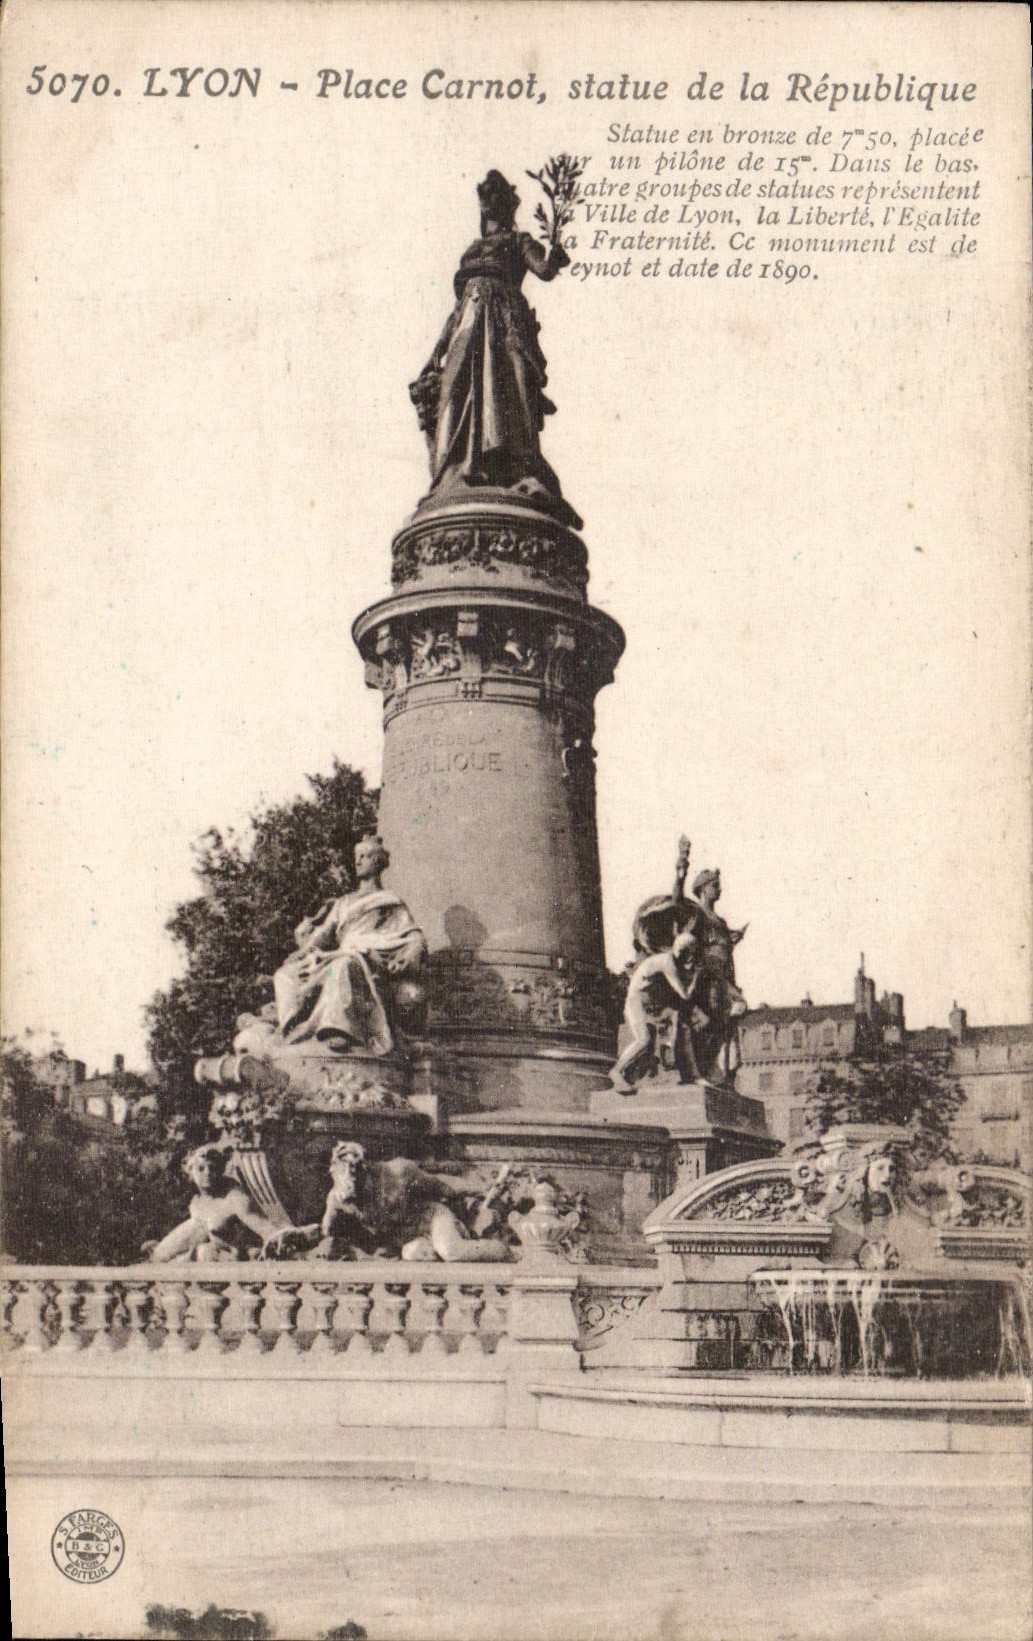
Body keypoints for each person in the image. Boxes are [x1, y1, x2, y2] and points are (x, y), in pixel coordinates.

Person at [410, 170, 578, 524]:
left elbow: (544, 270)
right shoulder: (472, 251)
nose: (492, 209)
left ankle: (514, 468)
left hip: (505, 320)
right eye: (488, 203)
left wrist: (556, 257)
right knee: (456, 391)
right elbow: (456, 311)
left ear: (507, 206)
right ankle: (463, 469)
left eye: (497, 201)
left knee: (511, 392)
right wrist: (435, 352)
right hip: (468, 322)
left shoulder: (519, 241)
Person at [273, 836, 426, 1055]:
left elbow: (412, 934)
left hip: (362, 958)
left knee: (342, 966)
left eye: (365, 856)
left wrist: (408, 955)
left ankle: (338, 1029)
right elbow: (324, 932)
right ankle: (292, 1027)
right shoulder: (343, 902)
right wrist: (302, 951)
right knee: (285, 974)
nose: (358, 861)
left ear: (377, 862)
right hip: (337, 954)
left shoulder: (388, 901)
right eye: (357, 857)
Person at [609, 926, 700, 1094]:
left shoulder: (665, 959)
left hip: (646, 1005)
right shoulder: (668, 964)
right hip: (636, 1003)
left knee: (672, 1019)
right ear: (685, 953)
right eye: (691, 954)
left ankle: (673, 1059)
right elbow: (684, 995)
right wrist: (695, 978)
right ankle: (617, 1072)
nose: (691, 959)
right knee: (643, 1039)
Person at [148, 1145, 277, 1263]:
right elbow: (191, 1232)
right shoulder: (197, 1201)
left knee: (203, 1252)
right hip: (210, 1256)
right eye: (201, 1169)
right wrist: (162, 1250)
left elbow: (261, 1226)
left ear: (220, 1171)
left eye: (213, 1168)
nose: (208, 1173)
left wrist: (279, 1239)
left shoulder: (234, 1198)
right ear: (190, 1173)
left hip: (234, 1260)